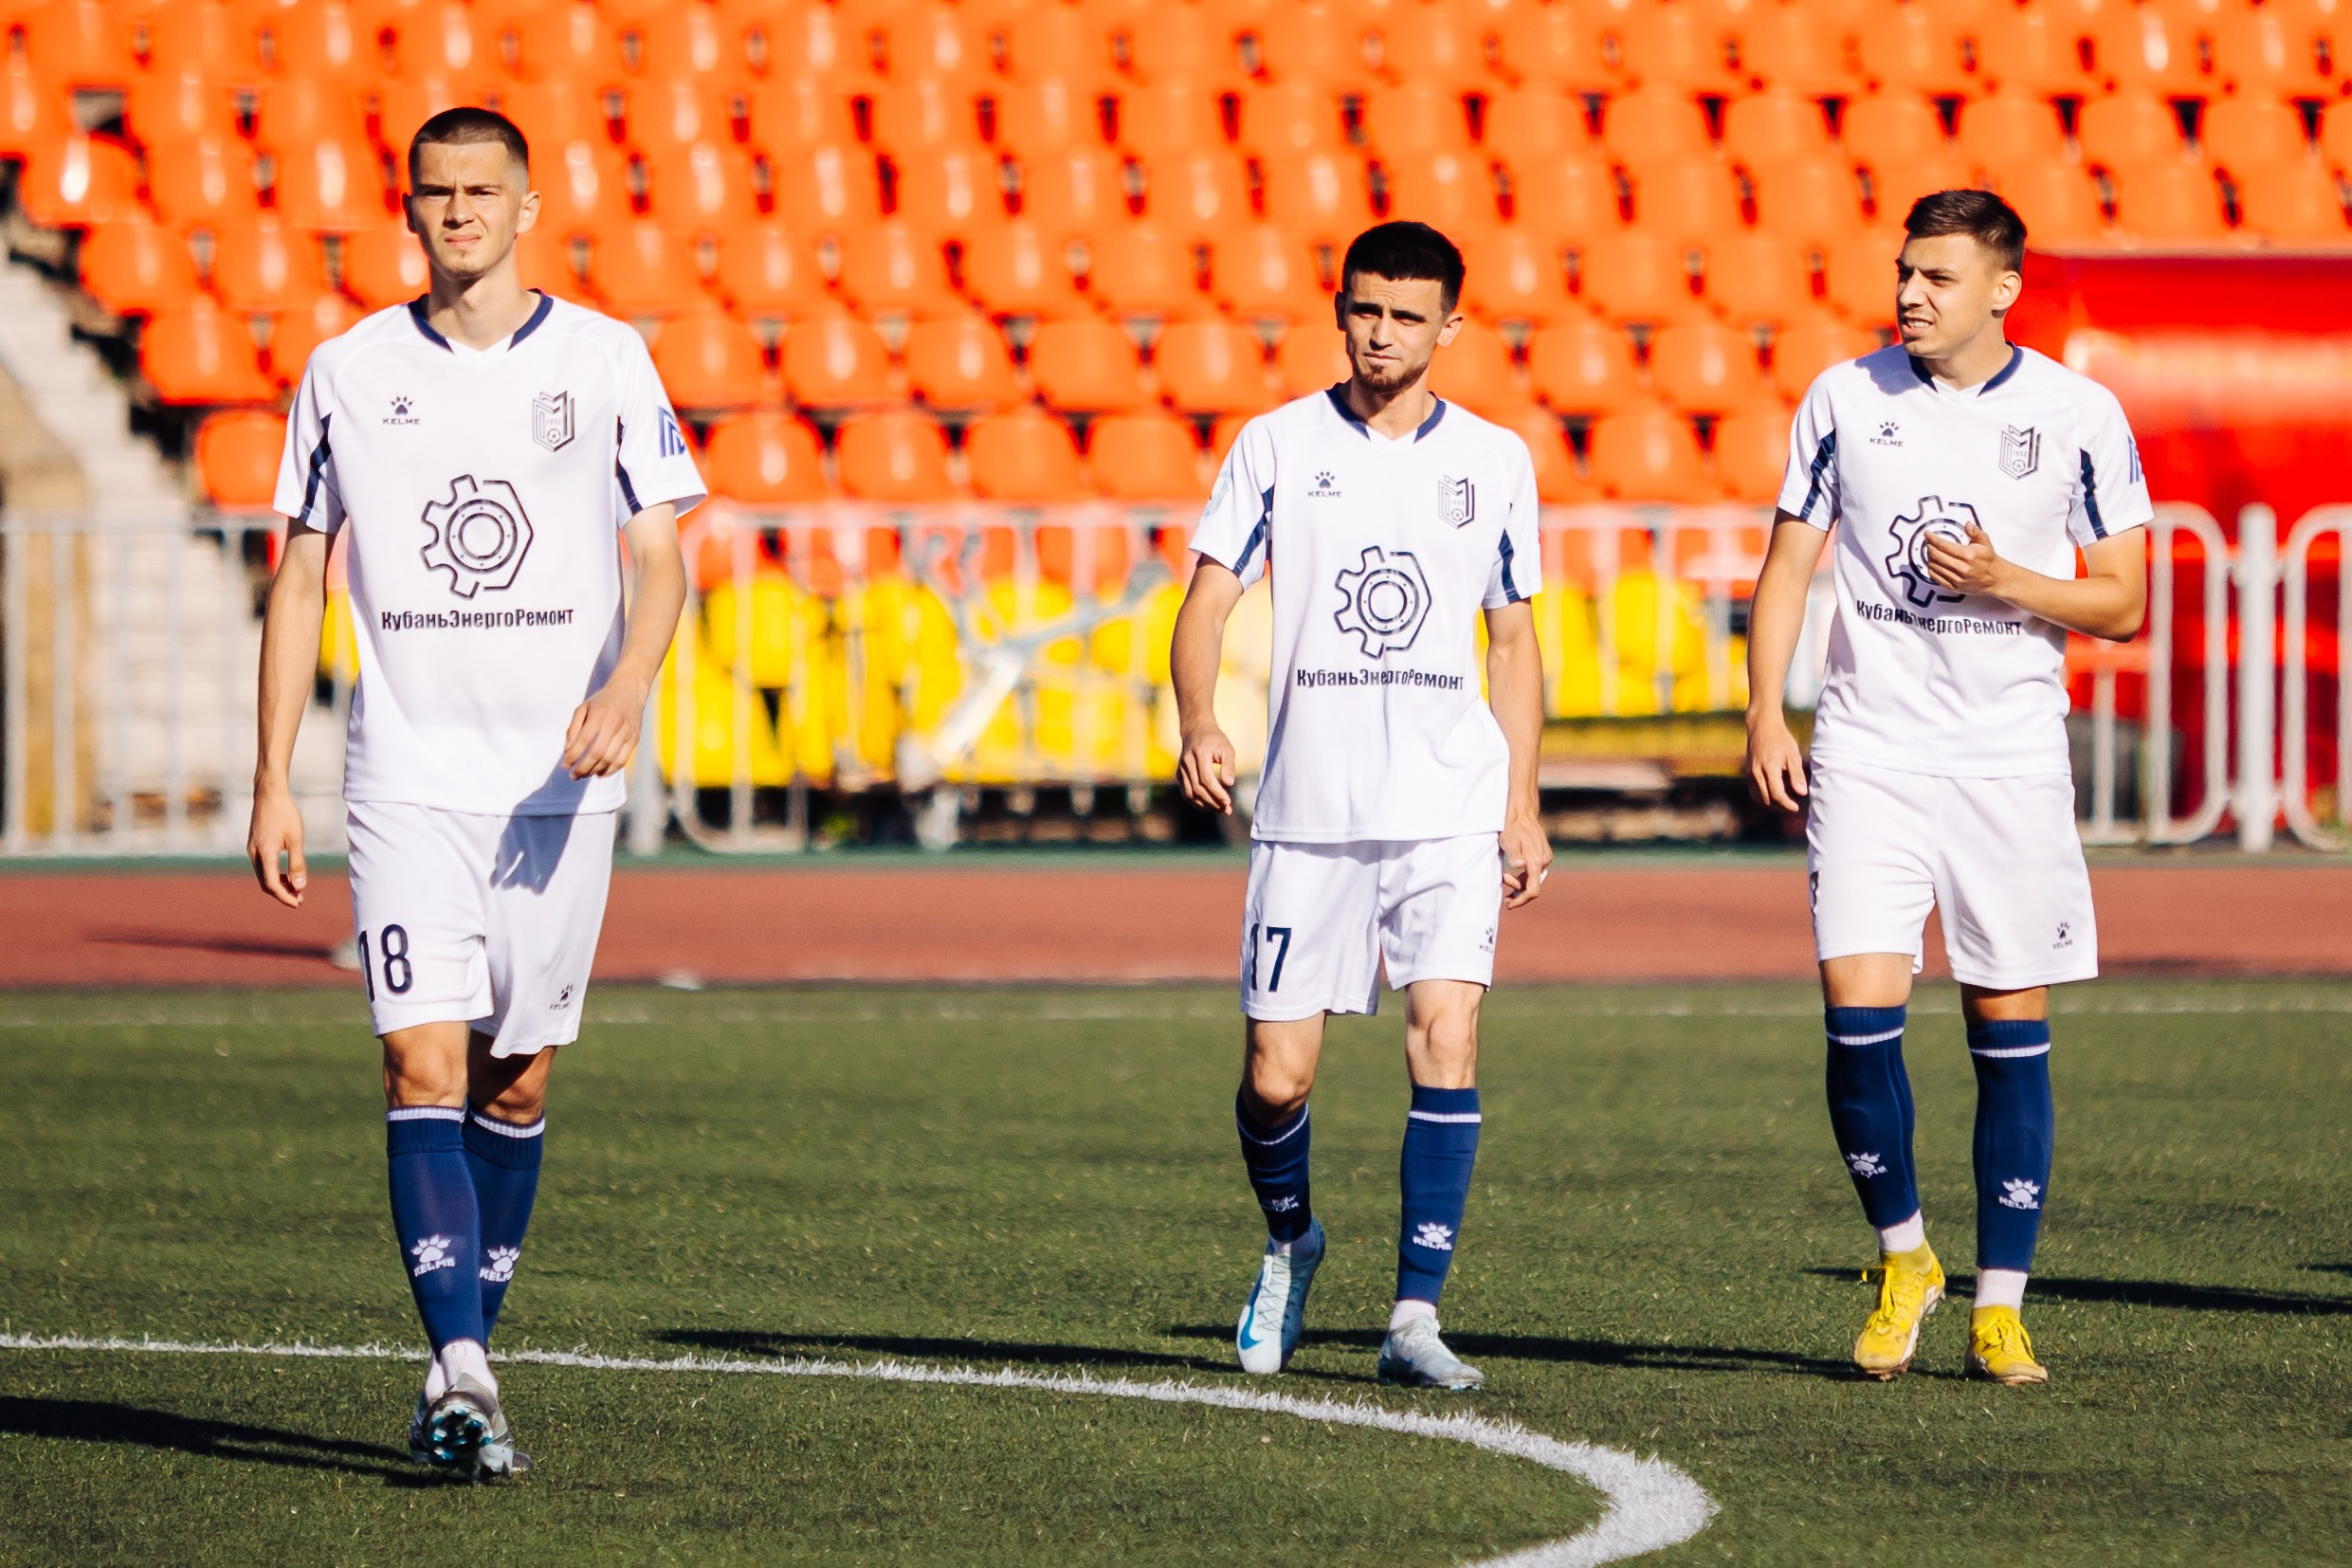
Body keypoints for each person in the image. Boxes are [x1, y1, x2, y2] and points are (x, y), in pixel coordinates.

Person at [246, 107, 702, 1471]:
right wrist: (274, 777)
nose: (457, 213)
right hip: (405, 780)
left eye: (480, 191)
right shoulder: (344, 370)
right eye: (434, 192)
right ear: (409, 208)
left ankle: (466, 1353)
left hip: (555, 785)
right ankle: (462, 1363)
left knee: (514, 1080)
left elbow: (664, 553)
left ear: (527, 206)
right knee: (420, 1060)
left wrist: (628, 687)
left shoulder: (607, 357)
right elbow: (299, 574)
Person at [1744, 190, 2150, 1386]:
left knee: (2005, 1032)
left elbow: (2125, 603)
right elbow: (1784, 567)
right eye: (1904, 272)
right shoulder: (1844, 397)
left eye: (1936, 277)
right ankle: (1907, 1254)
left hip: (2009, 761)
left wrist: (2008, 576)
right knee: (1856, 1020)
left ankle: (2000, 1305)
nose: (1910, 294)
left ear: (2002, 290)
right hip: (1869, 749)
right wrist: (1770, 708)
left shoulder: (2079, 414)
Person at [1172, 221, 1551, 1390]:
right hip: (1308, 811)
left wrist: (1521, 800)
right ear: (1339, 311)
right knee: (1278, 1074)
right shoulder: (1277, 443)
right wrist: (1198, 717)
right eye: (1362, 309)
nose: (1379, 333)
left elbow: (1515, 636)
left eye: (1404, 314)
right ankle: (1291, 1244)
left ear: (1450, 327)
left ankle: (1414, 1317)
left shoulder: (1493, 459)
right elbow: (1206, 598)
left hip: (1447, 804)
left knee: (1449, 1037)